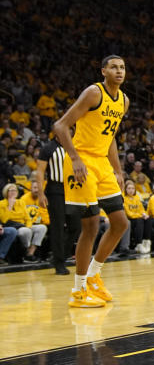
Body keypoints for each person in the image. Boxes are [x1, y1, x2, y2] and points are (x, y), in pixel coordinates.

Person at [51, 55, 130, 308]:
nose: (119, 71)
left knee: (120, 223)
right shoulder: (94, 93)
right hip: (82, 161)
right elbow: (60, 126)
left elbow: (111, 136)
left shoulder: (124, 101)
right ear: (103, 70)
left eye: (122, 67)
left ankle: (95, 274)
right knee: (91, 227)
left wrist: (117, 168)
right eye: (114, 67)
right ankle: (78, 290)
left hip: (102, 163)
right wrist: (74, 158)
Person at [34, 140, 79, 275]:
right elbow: (40, 171)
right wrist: (41, 194)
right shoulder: (48, 148)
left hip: (72, 189)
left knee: (76, 226)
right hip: (55, 190)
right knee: (58, 227)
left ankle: (60, 256)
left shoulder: (73, 146)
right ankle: (59, 263)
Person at [1, 183, 47, 262]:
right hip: (15, 227)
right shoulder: (1, 204)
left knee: (42, 228)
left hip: (24, 225)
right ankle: (26, 252)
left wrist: (28, 226)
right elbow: (4, 220)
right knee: (25, 231)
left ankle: (30, 252)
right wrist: (10, 206)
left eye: (15, 190)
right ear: (6, 192)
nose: (13, 192)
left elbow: (27, 218)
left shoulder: (21, 202)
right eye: (11, 190)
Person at [122, 180, 150, 254]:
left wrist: (144, 214)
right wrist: (141, 215)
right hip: (129, 219)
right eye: (129, 188)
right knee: (139, 220)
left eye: (132, 188)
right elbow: (129, 214)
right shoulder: (124, 199)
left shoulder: (137, 198)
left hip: (137, 217)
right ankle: (138, 244)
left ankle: (146, 241)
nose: (131, 190)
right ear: (125, 189)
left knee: (148, 219)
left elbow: (141, 209)